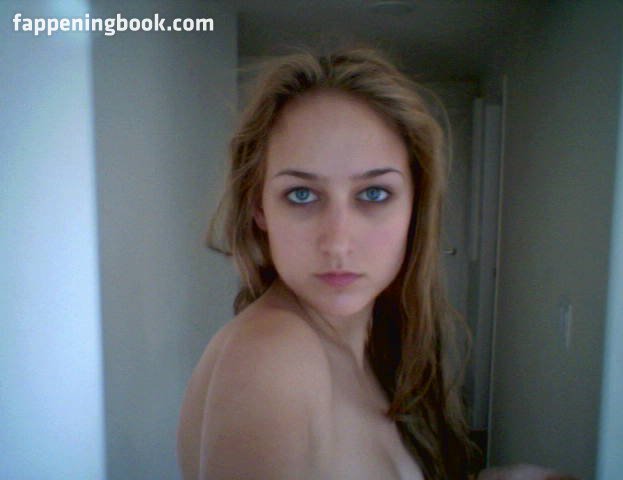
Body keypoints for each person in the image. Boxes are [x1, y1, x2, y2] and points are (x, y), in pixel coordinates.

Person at [177, 47, 574, 480]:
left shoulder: (374, 344)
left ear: (415, 204)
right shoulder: (274, 358)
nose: (338, 242)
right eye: (301, 195)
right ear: (259, 208)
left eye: (374, 194)